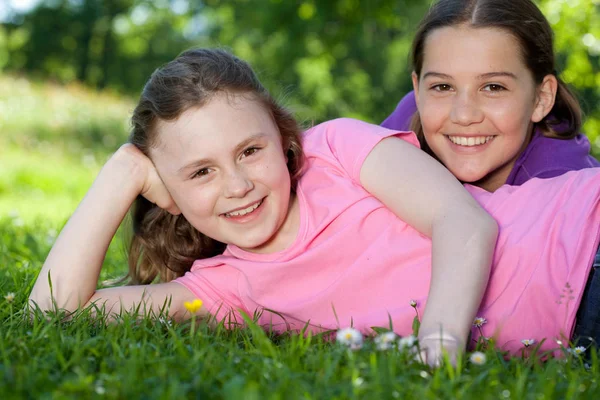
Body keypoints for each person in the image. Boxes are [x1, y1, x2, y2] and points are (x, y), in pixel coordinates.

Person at [28, 49, 599, 364]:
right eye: (200, 173)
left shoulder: (338, 149)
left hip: (583, 232)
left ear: (283, 139)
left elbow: (464, 220)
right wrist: (121, 171)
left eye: (250, 151)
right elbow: (53, 313)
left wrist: (439, 351)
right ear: (170, 197)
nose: (237, 185)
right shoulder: (223, 288)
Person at [381, 0, 599, 192]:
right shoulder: (412, 116)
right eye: (444, 86)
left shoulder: (565, 192)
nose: (464, 115)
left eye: (493, 87)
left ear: (541, 98)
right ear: (418, 90)